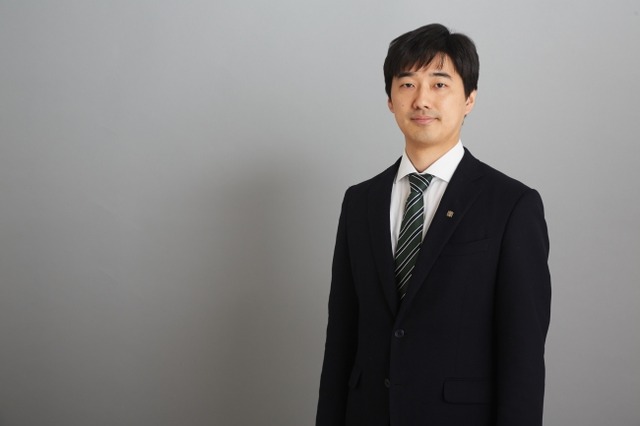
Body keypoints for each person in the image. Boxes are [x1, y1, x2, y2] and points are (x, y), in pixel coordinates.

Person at [316, 23, 551, 426]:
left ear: (469, 99)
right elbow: (341, 337)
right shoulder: (361, 202)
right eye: (407, 84)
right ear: (390, 100)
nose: (421, 99)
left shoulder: (512, 205)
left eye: (440, 84)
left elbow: (523, 356)